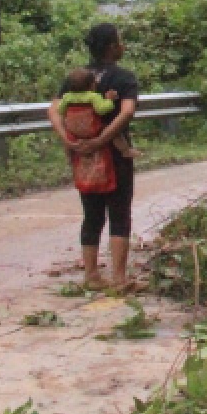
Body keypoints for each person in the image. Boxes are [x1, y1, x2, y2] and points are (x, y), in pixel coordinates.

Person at [47, 24, 140, 291]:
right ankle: (119, 278)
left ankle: (90, 274)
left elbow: (53, 110)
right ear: (112, 47)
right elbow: (126, 112)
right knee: (119, 213)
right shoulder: (124, 78)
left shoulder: (76, 78)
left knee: (92, 214)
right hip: (113, 156)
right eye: (120, 41)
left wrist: (69, 140)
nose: (122, 46)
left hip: (83, 158)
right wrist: (102, 139)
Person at [57, 67, 140, 160]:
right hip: (91, 127)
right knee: (114, 132)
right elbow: (102, 109)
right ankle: (125, 151)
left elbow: (61, 110)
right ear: (91, 85)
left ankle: (69, 156)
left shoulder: (67, 97)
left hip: (74, 129)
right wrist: (109, 99)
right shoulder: (93, 96)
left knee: (68, 138)